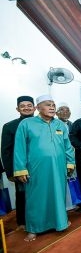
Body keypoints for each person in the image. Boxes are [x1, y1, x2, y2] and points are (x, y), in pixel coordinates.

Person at [14, 95, 75, 241]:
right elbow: (19, 148)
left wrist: (70, 162)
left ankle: (60, 222)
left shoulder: (60, 125)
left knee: (58, 195)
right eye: (48, 105)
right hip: (36, 169)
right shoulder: (27, 124)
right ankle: (34, 228)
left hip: (59, 168)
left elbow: (68, 146)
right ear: (38, 108)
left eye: (53, 104)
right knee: (35, 197)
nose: (52, 107)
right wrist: (21, 169)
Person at [1, 96, 35, 229]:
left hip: (40, 166)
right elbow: (6, 151)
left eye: (29, 105)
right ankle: (22, 221)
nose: (26, 108)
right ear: (17, 108)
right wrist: (10, 171)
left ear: (34, 107)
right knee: (22, 194)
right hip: (20, 168)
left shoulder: (43, 123)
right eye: (23, 106)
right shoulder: (10, 126)